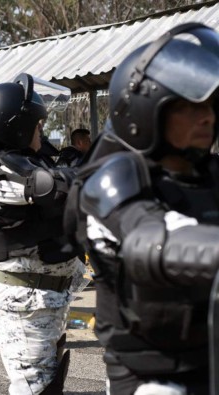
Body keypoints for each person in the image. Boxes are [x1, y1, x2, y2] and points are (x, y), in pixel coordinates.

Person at [66, 22, 219, 395]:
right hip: (153, 376)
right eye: (188, 105)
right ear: (148, 108)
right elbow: (148, 236)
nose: (207, 116)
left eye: (211, 103)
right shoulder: (113, 176)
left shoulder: (209, 173)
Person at [0, 75, 85, 395]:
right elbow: (53, 188)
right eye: (37, 126)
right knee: (34, 388)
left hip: (46, 298)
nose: (42, 132)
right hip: (25, 300)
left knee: (47, 383)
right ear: (18, 128)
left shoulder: (26, 163)